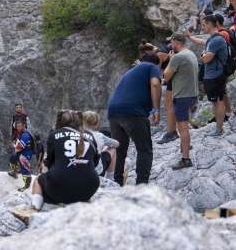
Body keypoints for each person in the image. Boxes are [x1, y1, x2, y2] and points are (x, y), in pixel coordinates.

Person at [107, 51, 161, 186]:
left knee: (120, 149)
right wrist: (156, 109)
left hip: (113, 112)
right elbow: (155, 84)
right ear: (156, 63)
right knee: (144, 149)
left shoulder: (131, 71)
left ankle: (117, 183)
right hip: (133, 112)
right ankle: (141, 185)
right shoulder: (151, 66)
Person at [31, 110, 99, 210]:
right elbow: (95, 162)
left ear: (60, 122)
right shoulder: (89, 135)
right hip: (89, 187)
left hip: (59, 187)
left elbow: (49, 162)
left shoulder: (54, 134)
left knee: (38, 180)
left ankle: (34, 208)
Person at [163, 33, 199, 169]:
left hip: (182, 96)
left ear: (176, 42)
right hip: (192, 94)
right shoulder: (190, 53)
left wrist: (171, 59)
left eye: (172, 43)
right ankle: (186, 144)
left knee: (182, 127)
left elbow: (166, 76)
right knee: (185, 124)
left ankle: (186, 159)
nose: (171, 46)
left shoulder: (177, 57)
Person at [201, 14, 229, 137]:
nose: (202, 27)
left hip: (215, 75)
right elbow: (206, 55)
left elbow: (206, 58)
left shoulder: (216, 39)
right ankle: (219, 127)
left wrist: (203, 56)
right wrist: (204, 56)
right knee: (216, 101)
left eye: (204, 24)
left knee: (218, 101)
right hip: (213, 75)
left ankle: (219, 129)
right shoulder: (211, 39)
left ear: (209, 24)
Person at [83, 111, 118, 180]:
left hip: (77, 169)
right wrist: (104, 147)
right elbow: (116, 144)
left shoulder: (75, 134)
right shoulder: (100, 136)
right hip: (96, 172)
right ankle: (110, 178)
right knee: (113, 149)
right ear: (97, 124)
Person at [8, 120, 33, 192]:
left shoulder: (25, 134)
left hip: (26, 153)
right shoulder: (20, 133)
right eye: (17, 126)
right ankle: (15, 172)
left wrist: (14, 146)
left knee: (24, 166)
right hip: (21, 151)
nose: (18, 127)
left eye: (20, 126)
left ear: (24, 126)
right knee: (12, 158)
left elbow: (20, 146)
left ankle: (27, 185)